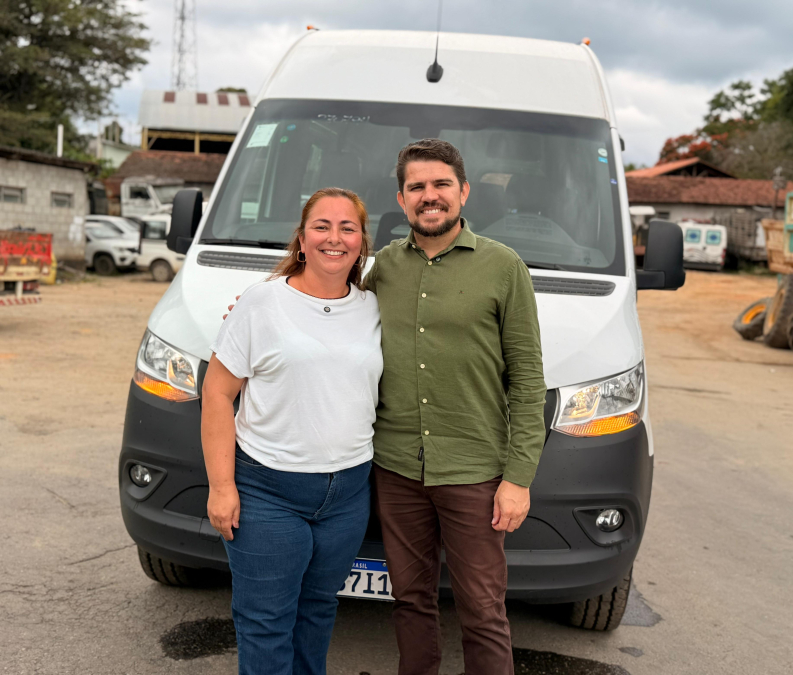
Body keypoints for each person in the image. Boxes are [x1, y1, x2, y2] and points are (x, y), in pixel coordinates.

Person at [364, 139, 546, 675]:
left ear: (463, 192)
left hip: (474, 472)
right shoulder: (381, 271)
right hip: (396, 468)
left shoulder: (503, 267)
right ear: (402, 199)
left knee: (483, 611)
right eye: (417, 187)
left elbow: (528, 379)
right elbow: (322, 314)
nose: (430, 196)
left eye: (441, 184)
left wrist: (518, 477)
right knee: (410, 601)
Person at [201, 187, 382, 675]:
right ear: (301, 240)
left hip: (347, 494)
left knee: (319, 611)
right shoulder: (261, 303)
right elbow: (217, 394)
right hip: (268, 490)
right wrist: (221, 488)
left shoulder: (373, 308)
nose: (334, 238)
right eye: (322, 226)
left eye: (348, 228)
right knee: (266, 622)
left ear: (362, 243)